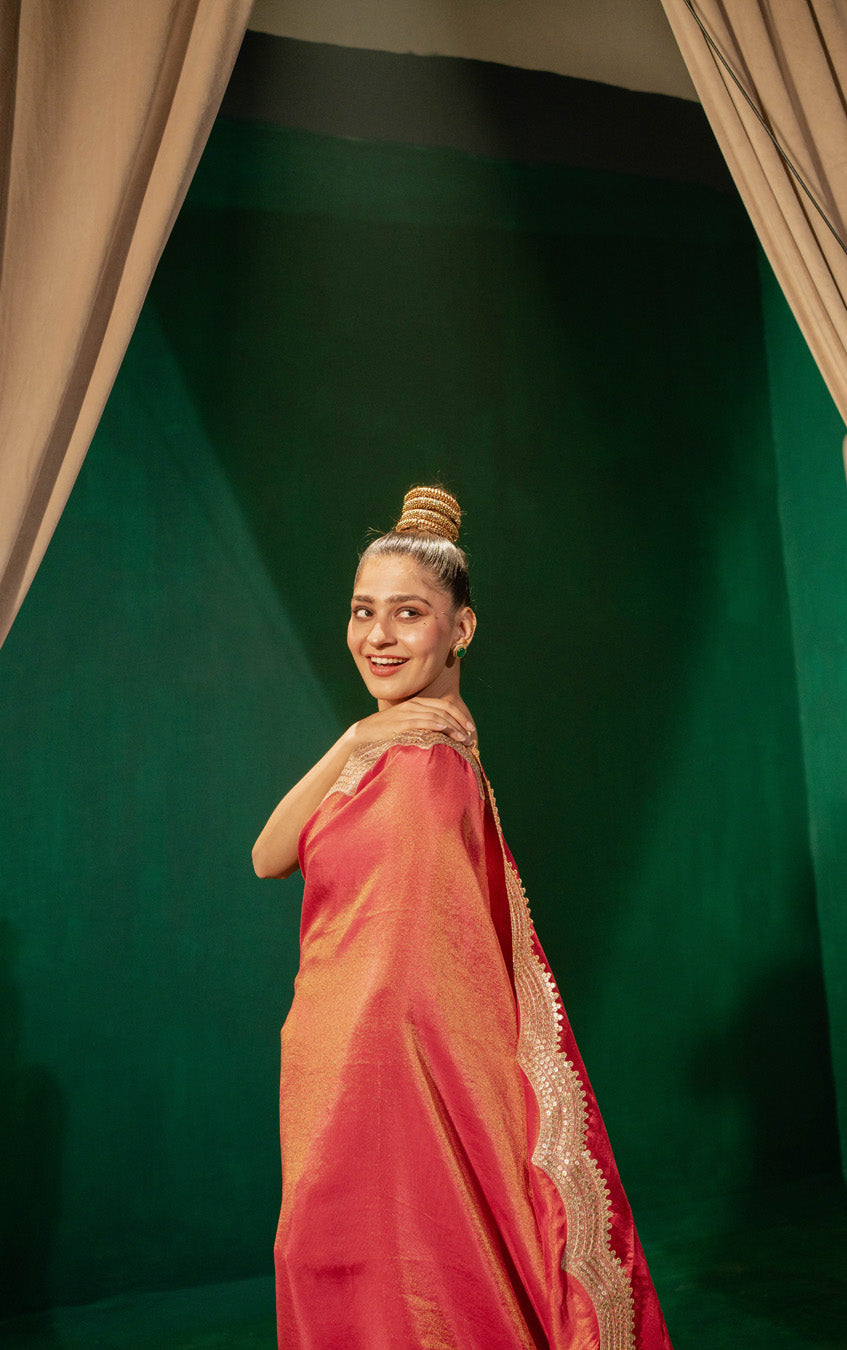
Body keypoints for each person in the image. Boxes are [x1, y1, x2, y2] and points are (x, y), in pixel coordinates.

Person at [253, 486, 673, 1350]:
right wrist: (356, 737)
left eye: (408, 614)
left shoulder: (423, 770)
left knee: (403, 1281)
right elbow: (267, 853)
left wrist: (382, 738)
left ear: (461, 628)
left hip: (375, 1081)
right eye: (363, 611)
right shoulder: (391, 747)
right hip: (325, 1060)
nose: (377, 636)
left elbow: (414, 971)